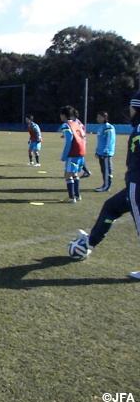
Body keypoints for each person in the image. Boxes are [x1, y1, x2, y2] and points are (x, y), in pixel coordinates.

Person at [70, 93, 140, 280]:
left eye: (132, 108)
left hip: (137, 184)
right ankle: (89, 243)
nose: (129, 111)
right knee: (111, 207)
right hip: (133, 185)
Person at [60, 105, 86, 203]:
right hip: (81, 151)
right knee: (74, 173)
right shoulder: (77, 123)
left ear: (63, 115)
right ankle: (77, 195)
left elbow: (68, 141)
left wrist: (64, 155)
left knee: (67, 174)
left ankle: (72, 197)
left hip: (73, 152)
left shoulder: (66, 125)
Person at [94, 110, 116, 192]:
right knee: (103, 170)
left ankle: (107, 186)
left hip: (106, 153)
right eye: (98, 117)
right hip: (100, 152)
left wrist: (105, 150)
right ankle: (105, 184)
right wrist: (97, 151)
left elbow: (109, 140)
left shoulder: (108, 127)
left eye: (100, 117)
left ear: (105, 118)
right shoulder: (101, 127)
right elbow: (100, 141)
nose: (98, 119)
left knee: (107, 170)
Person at [74, 110, 91, 178]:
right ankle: (85, 171)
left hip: (79, 141)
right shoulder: (78, 121)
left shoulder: (75, 122)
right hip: (82, 141)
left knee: (78, 157)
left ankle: (85, 171)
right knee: (80, 157)